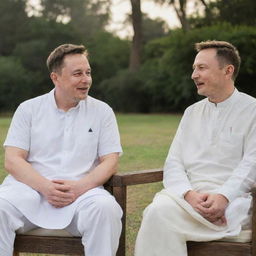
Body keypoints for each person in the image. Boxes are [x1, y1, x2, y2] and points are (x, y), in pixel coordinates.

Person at [0, 43, 123, 256]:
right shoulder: (28, 109)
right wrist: (46, 187)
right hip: (30, 192)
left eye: (88, 72)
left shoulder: (102, 111)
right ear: (55, 78)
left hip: (82, 195)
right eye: (77, 74)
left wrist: (79, 188)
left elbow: (110, 160)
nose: (86, 79)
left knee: (106, 208)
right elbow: (12, 160)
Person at [135, 40, 256, 255]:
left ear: (228, 71)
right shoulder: (191, 112)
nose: (194, 75)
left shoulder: (252, 109)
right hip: (186, 200)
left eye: (201, 68)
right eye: (194, 69)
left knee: (159, 216)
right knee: (157, 212)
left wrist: (223, 197)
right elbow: (174, 162)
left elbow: (252, 163)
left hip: (232, 203)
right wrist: (188, 194)